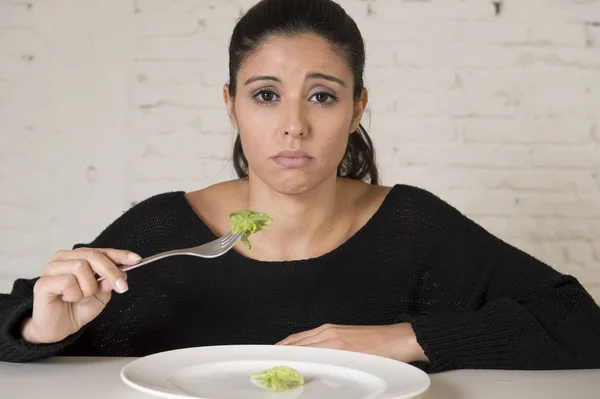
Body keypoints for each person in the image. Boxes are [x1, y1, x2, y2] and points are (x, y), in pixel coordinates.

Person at [1, 0, 599, 374]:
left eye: (322, 95)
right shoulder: (164, 229)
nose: (294, 124)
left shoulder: (416, 227)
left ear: (358, 107)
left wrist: (403, 339)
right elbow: (18, 328)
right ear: (231, 105)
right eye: (265, 95)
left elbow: (579, 323)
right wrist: (40, 328)